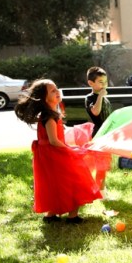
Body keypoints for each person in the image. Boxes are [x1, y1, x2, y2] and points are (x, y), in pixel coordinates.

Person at [14, 79, 102, 224]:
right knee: (75, 180)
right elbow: (53, 140)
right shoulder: (49, 117)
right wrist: (70, 150)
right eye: (52, 91)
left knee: (55, 183)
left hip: (48, 155)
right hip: (55, 154)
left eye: (56, 88)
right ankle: (72, 216)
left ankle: (51, 215)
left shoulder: (49, 114)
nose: (57, 92)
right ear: (44, 98)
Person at [85, 66, 112, 191]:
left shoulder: (104, 98)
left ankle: (101, 189)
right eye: (101, 82)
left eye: (105, 82)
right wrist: (100, 96)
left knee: (104, 166)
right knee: (100, 165)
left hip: (107, 134)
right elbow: (95, 112)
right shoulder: (90, 98)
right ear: (91, 83)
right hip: (99, 134)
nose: (104, 85)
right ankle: (98, 191)